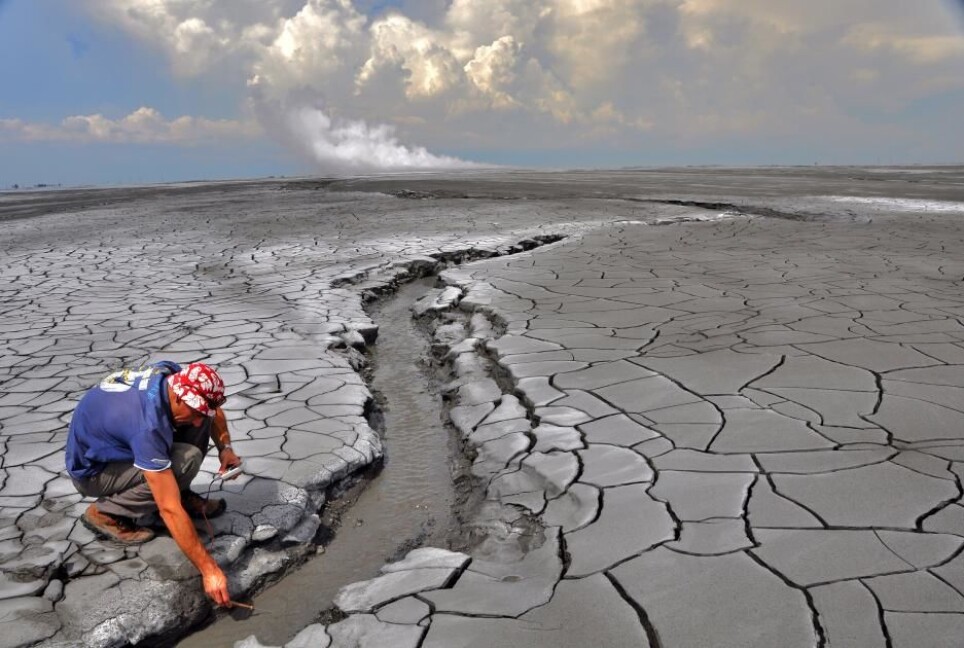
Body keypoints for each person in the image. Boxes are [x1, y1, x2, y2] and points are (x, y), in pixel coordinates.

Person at [65, 361, 242, 607]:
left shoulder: (171, 376)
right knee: (184, 462)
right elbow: (169, 509)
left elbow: (211, 410)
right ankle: (106, 513)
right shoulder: (146, 427)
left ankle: (178, 489)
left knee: (200, 424)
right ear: (180, 397)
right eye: (195, 410)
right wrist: (209, 570)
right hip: (93, 471)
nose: (199, 420)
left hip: (116, 441)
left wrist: (226, 448)